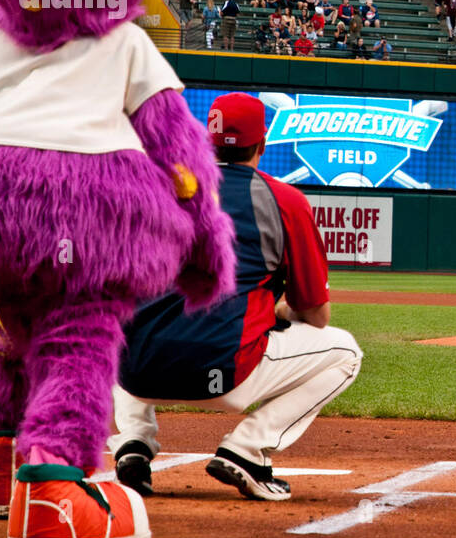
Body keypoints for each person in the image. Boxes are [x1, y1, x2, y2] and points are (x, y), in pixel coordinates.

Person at [110, 93, 361, 500]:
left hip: (136, 376)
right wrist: (277, 309)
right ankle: (246, 449)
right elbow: (316, 315)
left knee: (122, 323)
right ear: (262, 144)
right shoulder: (284, 201)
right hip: (225, 377)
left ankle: (133, 443)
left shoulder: (153, 189)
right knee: (346, 352)